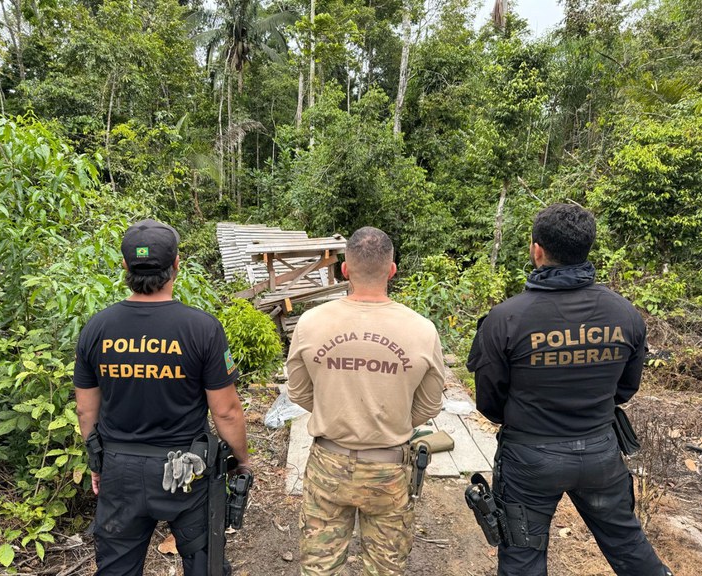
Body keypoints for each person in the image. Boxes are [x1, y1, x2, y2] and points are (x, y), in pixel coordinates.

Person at [467, 203, 673, 576]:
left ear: (537, 249)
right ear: (586, 249)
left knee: (522, 558)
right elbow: (626, 389)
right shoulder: (624, 314)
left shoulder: (505, 319)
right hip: (600, 452)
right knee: (629, 546)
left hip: (530, 459)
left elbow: (489, 399)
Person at [74, 218, 250, 576]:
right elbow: (227, 411)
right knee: (205, 564)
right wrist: (242, 462)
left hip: (120, 469)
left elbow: (84, 409)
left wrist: (98, 463)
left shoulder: (97, 327)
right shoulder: (202, 328)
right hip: (188, 470)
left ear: (125, 267)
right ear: (177, 265)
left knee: (116, 569)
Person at [287, 226, 445, 576]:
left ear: (344, 270)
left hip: (328, 464)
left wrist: (335, 409)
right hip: (389, 470)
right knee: (385, 569)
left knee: (319, 568)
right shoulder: (422, 329)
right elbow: (430, 404)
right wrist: (394, 417)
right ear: (392, 270)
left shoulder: (311, 322)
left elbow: (297, 391)